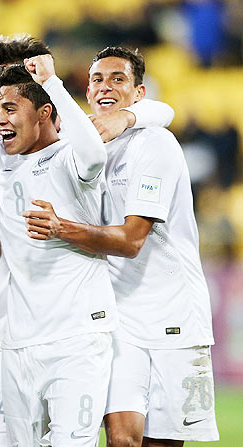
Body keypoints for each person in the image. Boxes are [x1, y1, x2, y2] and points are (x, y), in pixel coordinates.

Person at [20, 47, 218, 447]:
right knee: (121, 438)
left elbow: (131, 241)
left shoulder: (157, 144)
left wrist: (61, 228)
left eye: (117, 79)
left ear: (138, 92)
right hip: (117, 318)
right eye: (97, 79)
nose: (105, 87)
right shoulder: (85, 145)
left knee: (160, 443)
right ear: (87, 92)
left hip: (172, 316)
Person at [0, 53, 119, 446]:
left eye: (11, 108)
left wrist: (53, 82)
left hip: (77, 338)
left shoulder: (71, 157)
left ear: (44, 112)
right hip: (17, 342)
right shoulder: (1, 158)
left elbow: (95, 153)